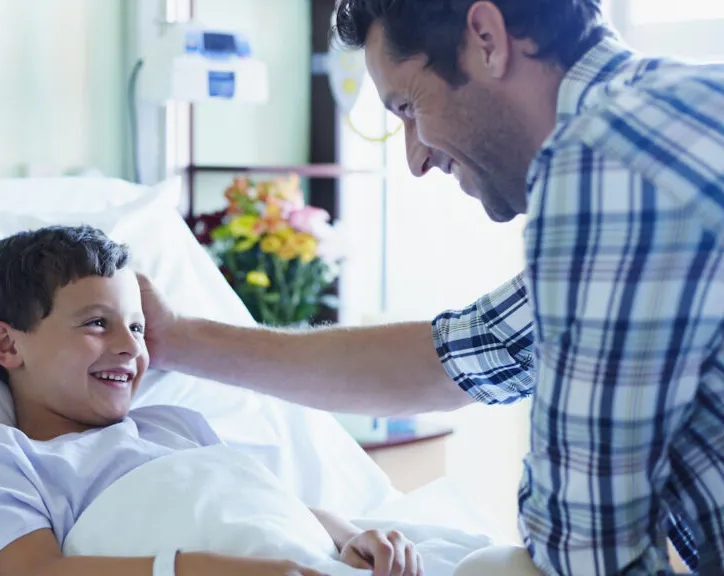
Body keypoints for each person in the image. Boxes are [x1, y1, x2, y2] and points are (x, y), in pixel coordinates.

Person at [136, 0, 724, 574]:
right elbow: (465, 353)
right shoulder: (681, 110)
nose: (416, 158)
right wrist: (178, 339)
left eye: (409, 106)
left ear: (487, 38)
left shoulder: (600, 162)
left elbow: (585, 547)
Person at [0, 225, 424, 576]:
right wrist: (198, 570)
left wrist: (351, 536)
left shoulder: (174, 424)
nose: (130, 347)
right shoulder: (1, 458)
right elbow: (34, 572)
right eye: (96, 323)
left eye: (137, 327)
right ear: (7, 345)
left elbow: (268, 507)